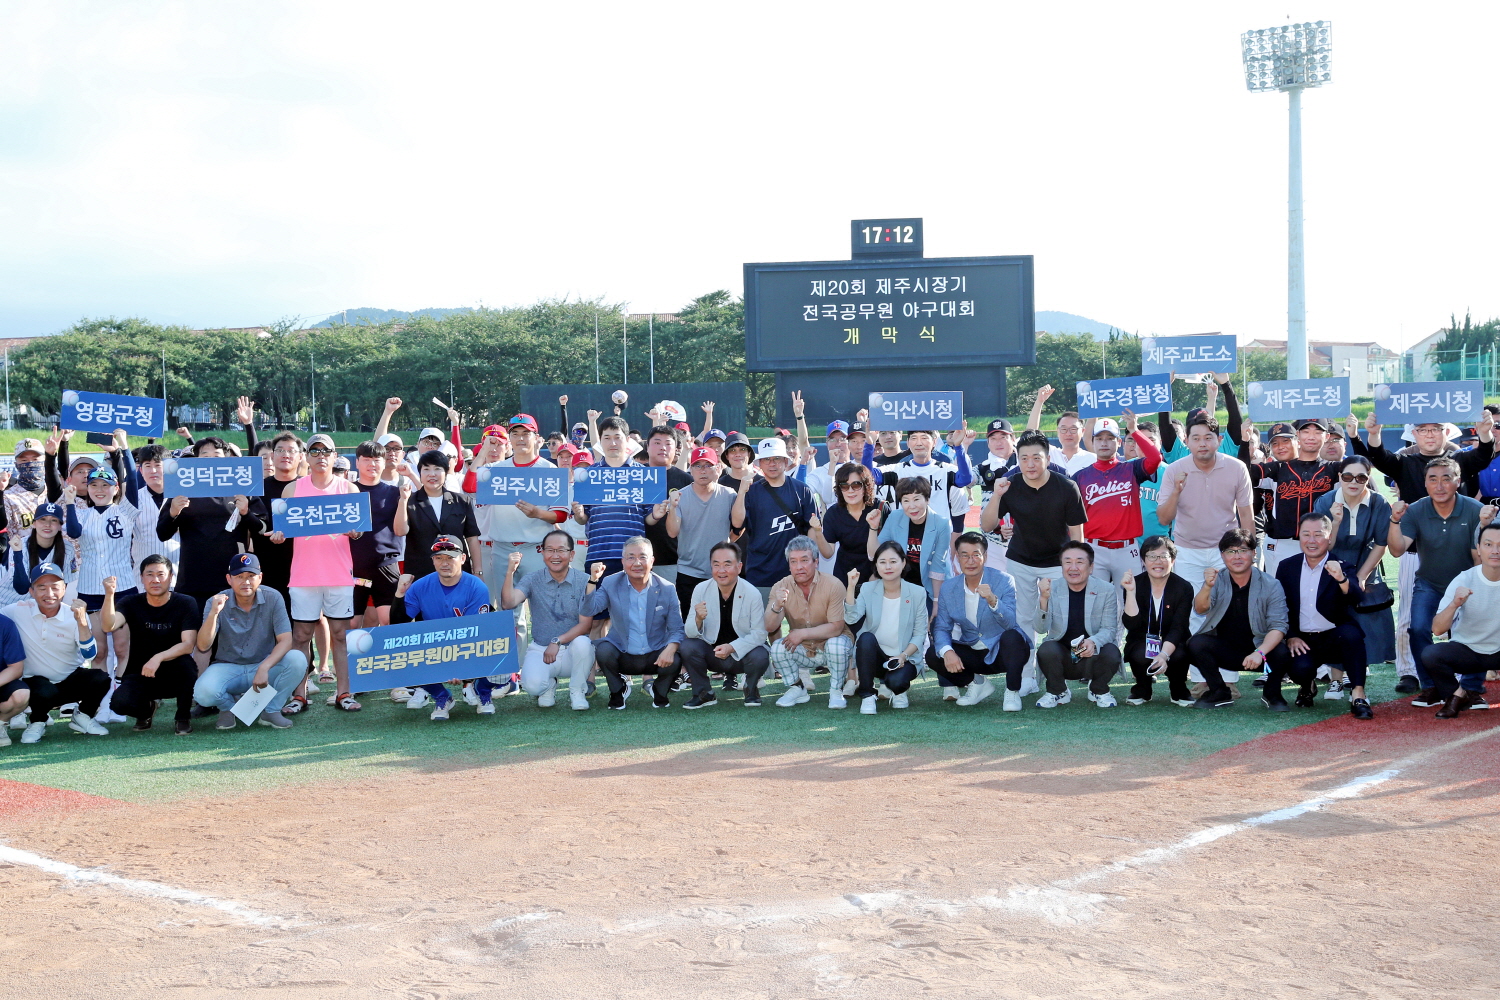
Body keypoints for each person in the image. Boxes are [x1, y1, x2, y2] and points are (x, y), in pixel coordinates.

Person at [1352, 408, 1495, 693]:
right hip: (1414, 551)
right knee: (1410, 618)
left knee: (1465, 617)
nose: (1430, 434)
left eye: (1435, 429)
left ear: (1446, 432)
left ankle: (1461, 679)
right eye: (1423, 429)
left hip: (1458, 551)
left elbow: (1482, 455)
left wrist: (1485, 432)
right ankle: (1411, 673)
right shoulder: (1406, 461)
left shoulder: (1459, 460)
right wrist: (1374, 434)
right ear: (1414, 434)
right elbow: (1380, 458)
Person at [980, 429, 1086, 691]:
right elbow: (986, 524)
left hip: (1057, 563)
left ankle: (1058, 675)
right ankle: (1027, 677)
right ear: (1018, 459)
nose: (1030, 464)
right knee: (1024, 619)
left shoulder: (1066, 486)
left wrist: (1076, 567)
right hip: (1021, 561)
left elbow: (1077, 535)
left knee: (1060, 620)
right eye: (1024, 458)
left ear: (1048, 458)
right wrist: (997, 495)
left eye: (1036, 458)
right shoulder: (1010, 485)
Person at [1386, 456, 1490, 709]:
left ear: (1458, 482)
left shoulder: (1474, 510)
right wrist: (1394, 520)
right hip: (1429, 582)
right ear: (1425, 483)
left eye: (1447, 478)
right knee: (1418, 628)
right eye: (1433, 479)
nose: (1440, 485)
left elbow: (1480, 559)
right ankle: (1431, 686)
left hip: (1467, 581)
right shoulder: (1417, 509)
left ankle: (1472, 688)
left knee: (1474, 631)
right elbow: (1397, 550)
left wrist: (1478, 594)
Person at [278, 433, 364, 714]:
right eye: (314, 451)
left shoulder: (349, 489)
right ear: (306, 455)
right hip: (303, 575)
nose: (320, 456)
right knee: (301, 636)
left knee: (341, 634)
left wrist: (355, 531)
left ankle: (344, 692)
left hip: (339, 573)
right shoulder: (292, 489)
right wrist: (279, 534)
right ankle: (299, 694)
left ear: (334, 454)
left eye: (325, 451)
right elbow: (283, 528)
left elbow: (359, 528)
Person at [1155, 413, 1255, 628]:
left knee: (1232, 607)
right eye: (1196, 438)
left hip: (1228, 550)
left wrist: (1248, 551)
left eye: (1208, 437)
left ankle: (1227, 659)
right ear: (1187, 441)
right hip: (1187, 551)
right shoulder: (1174, 470)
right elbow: (1164, 518)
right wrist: (1176, 492)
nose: (1202, 443)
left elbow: (1246, 514)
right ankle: (1195, 661)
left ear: (1219, 441)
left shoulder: (1237, 467)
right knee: (1191, 611)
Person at [391, 536, 504, 719]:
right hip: (435, 646)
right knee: (398, 652)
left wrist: (459, 667)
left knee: (500, 647)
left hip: (471, 645)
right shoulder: (420, 586)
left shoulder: (477, 587)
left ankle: (482, 691)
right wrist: (399, 594)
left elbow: (477, 632)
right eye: (439, 557)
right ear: (433, 560)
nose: (445, 563)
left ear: (463, 559)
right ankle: (442, 696)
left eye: (450, 557)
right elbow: (397, 626)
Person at [1271, 512, 1371, 718]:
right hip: (1303, 638)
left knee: (1352, 635)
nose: (1311, 540)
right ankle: (1307, 685)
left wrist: (1341, 578)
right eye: (1306, 534)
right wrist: (1290, 635)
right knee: (1300, 669)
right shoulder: (1287, 566)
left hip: (1334, 635)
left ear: (1329, 537)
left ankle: (1358, 694)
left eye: (1318, 534)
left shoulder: (1342, 565)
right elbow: (1279, 606)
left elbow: (1356, 596)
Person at [464, 417, 570, 607]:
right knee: (507, 608)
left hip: (535, 547)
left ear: (536, 437)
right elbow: (469, 486)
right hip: (502, 547)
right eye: (515, 434)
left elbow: (560, 514)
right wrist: (485, 450)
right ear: (509, 439)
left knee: (542, 605)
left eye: (525, 434)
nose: (520, 438)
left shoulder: (549, 469)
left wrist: (538, 513)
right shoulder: (496, 469)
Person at [193, 553, 305, 730]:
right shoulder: (215, 601)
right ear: (229, 579)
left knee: (297, 659)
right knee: (202, 693)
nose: (245, 582)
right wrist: (214, 613)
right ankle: (228, 709)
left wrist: (264, 667)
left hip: (263, 665)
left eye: (251, 576)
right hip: (227, 666)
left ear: (260, 578)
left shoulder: (273, 597)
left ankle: (271, 711)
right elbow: (203, 645)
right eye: (239, 577)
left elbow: (285, 640)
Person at [1, 562, 109, 744]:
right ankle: (38, 720)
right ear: (31, 591)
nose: (49, 594)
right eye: (41, 588)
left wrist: (82, 621)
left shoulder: (73, 614)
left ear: (64, 589)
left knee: (101, 679)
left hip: (69, 677)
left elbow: (90, 655)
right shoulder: (17, 610)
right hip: (35, 683)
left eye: (54, 587)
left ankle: (82, 716)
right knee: (43, 691)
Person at [1186, 529, 1289, 710]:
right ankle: (1219, 691)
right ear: (1223, 555)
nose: (1237, 556)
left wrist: (1261, 653)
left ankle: (1272, 693)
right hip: (1226, 649)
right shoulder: (1218, 579)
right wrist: (1207, 587)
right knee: (1196, 643)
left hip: (1259, 650)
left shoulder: (1271, 585)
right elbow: (1200, 609)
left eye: (1243, 550)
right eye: (1231, 551)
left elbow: (1279, 626)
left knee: (1281, 651)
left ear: (1254, 554)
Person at [64, 429, 140, 672]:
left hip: (123, 586)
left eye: (105, 485)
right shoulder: (82, 513)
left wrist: (125, 447)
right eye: (93, 484)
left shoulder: (125, 511)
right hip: (89, 588)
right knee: (99, 651)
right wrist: (68, 502)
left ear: (115, 488)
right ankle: (99, 702)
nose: (99, 489)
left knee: (122, 649)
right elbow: (74, 532)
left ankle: (118, 703)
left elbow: (135, 481)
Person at [928, 531, 1031, 710]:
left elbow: (1010, 623)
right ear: (957, 558)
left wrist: (993, 600)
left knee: (1013, 636)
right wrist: (947, 651)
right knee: (934, 653)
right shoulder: (949, 588)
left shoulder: (1004, 580)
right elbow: (942, 627)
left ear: (985, 556)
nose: (970, 561)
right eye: (964, 555)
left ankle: (1012, 691)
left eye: (976, 554)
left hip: (1003, 651)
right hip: (973, 650)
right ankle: (977, 683)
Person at [155, 437, 258, 614]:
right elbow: (162, 533)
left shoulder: (242, 486)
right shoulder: (183, 487)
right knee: (194, 635)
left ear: (227, 459)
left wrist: (246, 513)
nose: (211, 460)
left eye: (217, 455)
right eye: (205, 455)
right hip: (194, 578)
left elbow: (261, 529)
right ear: (196, 461)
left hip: (232, 578)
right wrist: (173, 512)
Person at [1313, 454, 1396, 675]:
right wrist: (1336, 522)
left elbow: (1381, 544)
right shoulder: (1325, 501)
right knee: (1334, 622)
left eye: (1361, 478)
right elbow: (1323, 547)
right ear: (1339, 476)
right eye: (1348, 476)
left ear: (1368, 478)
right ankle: (1335, 680)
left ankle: (1357, 680)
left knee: (1365, 625)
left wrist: (1360, 577)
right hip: (1332, 566)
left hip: (1366, 564)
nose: (1353, 482)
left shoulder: (1378, 502)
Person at [581, 537, 685, 710]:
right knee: (603, 650)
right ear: (623, 562)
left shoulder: (667, 588)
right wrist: (593, 580)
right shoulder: (610, 582)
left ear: (652, 561)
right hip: (623, 652)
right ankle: (618, 690)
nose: (637, 563)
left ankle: (660, 690)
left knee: (675, 656)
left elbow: (677, 629)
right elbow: (589, 610)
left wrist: (670, 648)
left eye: (643, 557)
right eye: (631, 557)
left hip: (655, 655)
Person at [103, 558, 200, 735]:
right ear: (141, 578)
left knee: (188, 669)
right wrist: (109, 595)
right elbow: (108, 626)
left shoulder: (186, 602)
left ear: (170, 577)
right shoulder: (130, 602)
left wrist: (158, 657)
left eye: (160, 575)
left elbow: (188, 644)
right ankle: (146, 710)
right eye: (150, 575)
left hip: (176, 668)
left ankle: (182, 717)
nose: (155, 580)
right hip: (141, 670)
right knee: (119, 704)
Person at [502, 531, 596, 711]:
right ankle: (548, 685)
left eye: (561, 550)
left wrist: (557, 640)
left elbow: (586, 624)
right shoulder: (532, 579)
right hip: (541, 649)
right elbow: (508, 603)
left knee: (584, 643)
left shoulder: (584, 580)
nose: (555, 556)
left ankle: (577, 691)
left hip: (572, 651)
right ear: (542, 552)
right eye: (549, 550)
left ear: (571, 554)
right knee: (532, 686)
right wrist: (510, 571)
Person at [1071, 410, 1161, 596]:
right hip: (1094, 548)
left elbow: (1155, 458)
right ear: (1093, 442)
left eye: (1110, 438)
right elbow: (1070, 517)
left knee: (1131, 603)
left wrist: (1134, 430)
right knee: (1095, 604)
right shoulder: (1080, 477)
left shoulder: (1131, 468)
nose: (1104, 442)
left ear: (1119, 442)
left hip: (1127, 549)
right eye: (1099, 438)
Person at [1241, 418, 1340, 576]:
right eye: (1275, 443)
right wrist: (1245, 443)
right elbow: (1243, 472)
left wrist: (1356, 436)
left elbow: (1362, 468)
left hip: (1319, 542)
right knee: (1279, 595)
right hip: (1282, 543)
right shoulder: (1277, 469)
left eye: (1286, 440)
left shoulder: (1332, 469)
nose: (1281, 447)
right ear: (1300, 435)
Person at [765, 535, 854, 708]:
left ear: (816, 561)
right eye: (793, 562)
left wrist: (803, 633)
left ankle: (836, 690)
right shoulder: (780, 586)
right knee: (777, 648)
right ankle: (797, 688)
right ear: (789, 564)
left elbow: (836, 627)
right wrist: (777, 605)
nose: (799, 567)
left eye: (804, 560)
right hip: (804, 649)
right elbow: (769, 627)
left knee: (836, 645)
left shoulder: (834, 585)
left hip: (833, 645)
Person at [1423, 521, 1500, 717]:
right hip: (1468, 651)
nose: (1495, 551)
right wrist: (1454, 604)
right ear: (1479, 549)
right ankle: (1457, 695)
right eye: (1488, 544)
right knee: (1431, 655)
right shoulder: (1464, 579)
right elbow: (1438, 629)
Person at [680, 541, 770, 707]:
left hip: (742, 655)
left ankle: (751, 690)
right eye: (716, 564)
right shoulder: (701, 589)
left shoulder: (752, 593)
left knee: (760, 654)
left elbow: (759, 634)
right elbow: (690, 633)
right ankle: (704, 693)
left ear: (739, 567)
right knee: (687, 646)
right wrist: (698, 619)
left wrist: (732, 647)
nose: (721, 570)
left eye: (727, 564)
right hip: (712, 653)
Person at [844, 540, 929, 714]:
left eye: (893, 561)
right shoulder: (868, 589)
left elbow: (920, 634)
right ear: (876, 565)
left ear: (903, 562)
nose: (887, 567)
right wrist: (851, 587)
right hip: (875, 656)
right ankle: (867, 695)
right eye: (882, 562)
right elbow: (851, 618)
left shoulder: (917, 593)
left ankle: (898, 690)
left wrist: (903, 656)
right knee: (866, 637)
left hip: (904, 656)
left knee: (896, 683)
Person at [1034, 541, 1122, 708]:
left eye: (1080, 562)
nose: (1073, 567)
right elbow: (1040, 629)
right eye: (1067, 562)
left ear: (1091, 567)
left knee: (1111, 651)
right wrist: (1043, 600)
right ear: (1061, 566)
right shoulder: (1052, 588)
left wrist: (1094, 641)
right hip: (1063, 654)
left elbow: (1110, 629)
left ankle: (1099, 689)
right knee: (1046, 649)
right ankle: (1057, 690)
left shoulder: (1106, 589)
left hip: (1092, 655)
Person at [732, 438, 819, 593]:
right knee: (763, 617)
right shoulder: (751, 491)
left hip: (797, 575)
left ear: (786, 461)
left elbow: (812, 530)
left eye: (777, 458)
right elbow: (737, 524)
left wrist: (810, 566)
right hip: (760, 575)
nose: (772, 463)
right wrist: (741, 493)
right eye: (767, 459)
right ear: (759, 464)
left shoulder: (802, 490)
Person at [572, 415, 654, 579]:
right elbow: (582, 519)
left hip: (635, 557)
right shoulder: (587, 475)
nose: (612, 443)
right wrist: (579, 513)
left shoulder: (644, 474)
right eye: (607, 438)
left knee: (636, 604)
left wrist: (658, 513)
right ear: (600, 441)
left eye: (617, 437)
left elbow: (650, 519)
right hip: (598, 555)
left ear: (628, 439)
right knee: (599, 604)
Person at [1121, 535, 1195, 706]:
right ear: (1143, 560)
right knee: (1139, 653)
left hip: (1173, 641)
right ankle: (1142, 689)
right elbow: (1131, 625)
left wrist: (1163, 654)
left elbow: (1179, 627)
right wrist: (1130, 592)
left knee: (1179, 654)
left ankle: (1179, 690)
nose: (1158, 561)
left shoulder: (1184, 587)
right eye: (1152, 556)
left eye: (1164, 556)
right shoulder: (1134, 583)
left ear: (1173, 560)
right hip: (1142, 640)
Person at [665, 446, 736, 614]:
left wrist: (725, 546)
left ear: (717, 468)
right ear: (690, 468)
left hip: (721, 572)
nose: (703, 470)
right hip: (688, 571)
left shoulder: (729, 495)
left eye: (707, 465)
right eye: (698, 465)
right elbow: (672, 532)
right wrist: (673, 508)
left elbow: (739, 527)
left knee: (723, 625)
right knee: (689, 626)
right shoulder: (680, 496)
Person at [349, 440, 411, 628]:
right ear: (357, 462)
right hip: (353, 568)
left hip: (385, 565)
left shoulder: (394, 493)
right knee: (352, 624)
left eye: (377, 460)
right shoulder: (347, 491)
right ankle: (350, 659)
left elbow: (401, 530)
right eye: (366, 459)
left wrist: (403, 501)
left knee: (388, 621)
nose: (372, 464)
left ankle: (388, 657)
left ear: (384, 463)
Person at [872, 428, 973, 540]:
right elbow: (868, 476)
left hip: (939, 540)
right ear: (908, 443)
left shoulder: (945, 470)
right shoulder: (898, 469)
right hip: (905, 540)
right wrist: (869, 444)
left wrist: (958, 446)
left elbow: (966, 479)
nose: (919, 443)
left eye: (924, 438)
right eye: (914, 438)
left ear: (934, 442)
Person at [401, 449, 480, 580]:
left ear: (446, 472)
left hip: (456, 572)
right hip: (421, 573)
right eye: (426, 469)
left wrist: (478, 572)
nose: (432, 474)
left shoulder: (461, 500)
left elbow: (472, 538)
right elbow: (400, 531)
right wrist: (402, 501)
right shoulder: (410, 501)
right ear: (419, 472)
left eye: (437, 469)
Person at [870, 476, 947, 607]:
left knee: (930, 623)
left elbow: (938, 566)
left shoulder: (941, 524)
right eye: (906, 501)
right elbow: (874, 555)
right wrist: (873, 527)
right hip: (901, 584)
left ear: (927, 499)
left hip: (928, 586)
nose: (912, 506)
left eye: (917, 499)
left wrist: (936, 601)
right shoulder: (895, 517)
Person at [641, 424, 695, 584]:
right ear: (647, 446)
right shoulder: (634, 476)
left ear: (676, 448)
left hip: (675, 561)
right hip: (637, 559)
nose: (662, 448)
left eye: (668, 443)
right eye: (657, 442)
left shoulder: (686, 480)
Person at [810, 461, 880, 586]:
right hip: (845, 576)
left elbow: (885, 551)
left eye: (856, 485)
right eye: (844, 486)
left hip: (876, 575)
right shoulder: (834, 513)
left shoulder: (879, 508)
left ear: (866, 486)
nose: (850, 490)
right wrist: (818, 532)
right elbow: (828, 554)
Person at [1, 502, 74, 608]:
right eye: (42, 519)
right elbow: (21, 588)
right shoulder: (20, 545)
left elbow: (63, 585)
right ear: (34, 524)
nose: (47, 525)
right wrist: (17, 553)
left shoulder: (67, 548)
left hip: (40, 608)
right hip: (8, 603)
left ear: (60, 526)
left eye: (53, 520)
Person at [1026, 387, 1094, 474]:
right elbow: (1030, 435)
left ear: (1083, 431)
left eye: (1073, 429)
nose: (1068, 433)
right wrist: (1039, 401)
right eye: (1063, 429)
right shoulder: (1050, 454)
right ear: (1057, 431)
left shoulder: (1092, 459)